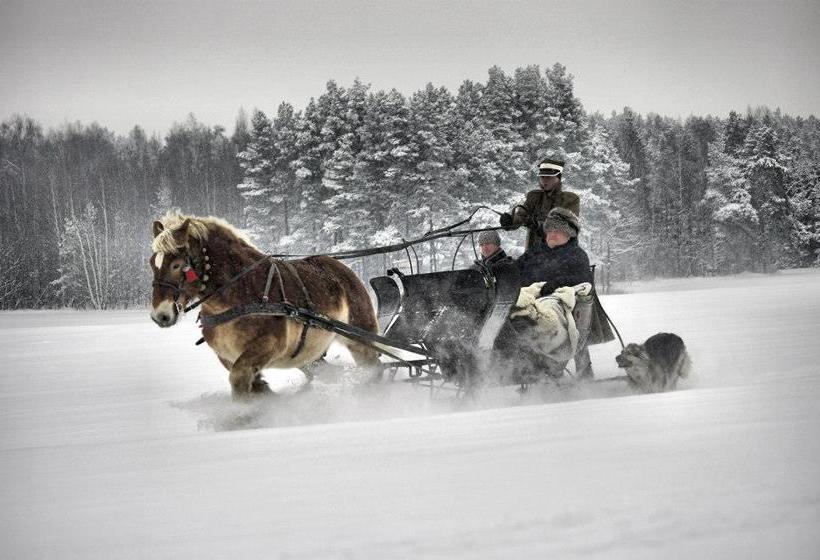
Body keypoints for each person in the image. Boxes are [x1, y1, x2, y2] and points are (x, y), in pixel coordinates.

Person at [515, 207, 595, 378]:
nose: (552, 234)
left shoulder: (576, 255)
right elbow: (515, 269)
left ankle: (557, 373)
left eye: (558, 231)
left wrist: (555, 284)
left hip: (560, 311)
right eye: (550, 229)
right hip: (529, 301)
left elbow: (584, 281)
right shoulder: (535, 251)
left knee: (548, 320)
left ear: (569, 234)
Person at [499, 157, 580, 252]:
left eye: (549, 177)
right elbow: (521, 216)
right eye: (542, 177)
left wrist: (538, 225)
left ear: (558, 178)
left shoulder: (570, 199)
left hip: (560, 254)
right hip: (533, 253)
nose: (545, 180)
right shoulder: (534, 197)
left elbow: (567, 229)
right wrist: (510, 221)